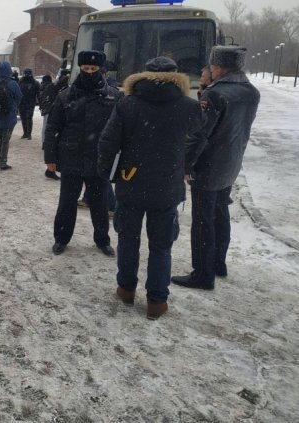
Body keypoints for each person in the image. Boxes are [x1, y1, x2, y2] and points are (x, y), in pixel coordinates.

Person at [98, 57, 203, 320]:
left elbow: (108, 142)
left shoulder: (127, 104)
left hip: (130, 182)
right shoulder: (189, 107)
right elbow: (198, 140)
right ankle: (157, 301)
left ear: (143, 75)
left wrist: (107, 174)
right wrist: (183, 165)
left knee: (128, 240)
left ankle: (126, 289)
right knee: (161, 246)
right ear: (176, 77)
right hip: (167, 186)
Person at [172, 46, 260, 290]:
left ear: (219, 67)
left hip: (208, 167)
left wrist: (185, 165)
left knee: (203, 221)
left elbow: (199, 135)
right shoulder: (250, 92)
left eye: (212, 66)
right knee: (220, 214)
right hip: (230, 164)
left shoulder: (215, 95)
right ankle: (218, 263)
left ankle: (202, 274)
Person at [44, 51, 121, 257]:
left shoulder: (113, 96)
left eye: (93, 69)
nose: (89, 72)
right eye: (86, 69)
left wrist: (119, 157)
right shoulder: (65, 95)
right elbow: (52, 128)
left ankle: (102, 240)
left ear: (101, 70)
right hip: (71, 159)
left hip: (99, 159)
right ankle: (61, 239)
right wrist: (50, 158)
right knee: (67, 203)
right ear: (80, 68)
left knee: (99, 204)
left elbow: (120, 130)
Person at [0, 61, 22, 170]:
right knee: (5, 140)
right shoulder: (13, 84)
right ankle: (3, 162)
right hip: (9, 115)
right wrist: (13, 106)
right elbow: (19, 97)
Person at [38, 73, 60, 180]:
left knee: (46, 128)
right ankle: (51, 170)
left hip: (47, 110)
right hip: (50, 111)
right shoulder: (55, 89)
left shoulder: (46, 87)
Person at [18, 68, 40, 140]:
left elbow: (38, 94)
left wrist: (40, 103)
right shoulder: (21, 81)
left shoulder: (35, 83)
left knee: (28, 117)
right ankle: (25, 133)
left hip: (30, 102)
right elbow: (18, 92)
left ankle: (29, 134)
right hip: (22, 102)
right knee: (23, 118)